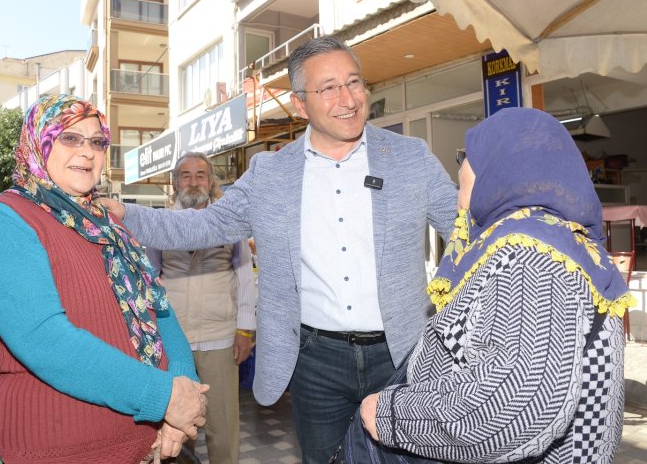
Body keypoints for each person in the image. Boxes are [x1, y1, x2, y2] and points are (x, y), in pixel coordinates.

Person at [100, 35, 457, 462]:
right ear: (301, 103)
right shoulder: (270, 173)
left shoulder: (410, 157)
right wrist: (127, 215)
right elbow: (205, 224)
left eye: (354, 82)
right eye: (328, 88)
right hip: (315, 360)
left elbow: (465, 230)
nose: (347, 98)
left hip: (402, 353)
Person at [359, 107, 632, 462]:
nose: (458, 170)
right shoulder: (549, 238)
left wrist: (391, 414)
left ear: (502, 166)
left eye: (466, 157)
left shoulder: (531, 257)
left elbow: (522, 397)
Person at [0, 94, 209, 463]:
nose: (88, 152)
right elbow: (46, 341)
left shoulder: (109, 223)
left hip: (145, 444)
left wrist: (183, 398)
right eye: (70, 138)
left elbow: (161, 313)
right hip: (52, 448)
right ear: (37, 142)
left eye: (98, 141)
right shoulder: (2, 221)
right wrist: (164, 398)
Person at [149, 151, 257, 464]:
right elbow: (151, 279)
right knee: (177, 428)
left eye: (200, 175)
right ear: (174, 182)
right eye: (186, 175)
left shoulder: (229, 223)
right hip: (173, 339)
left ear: (210, 182)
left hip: (220, 338)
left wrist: (245, 330)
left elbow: (246, 280)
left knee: (222, 430)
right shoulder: (161, 224)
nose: (193, 181)